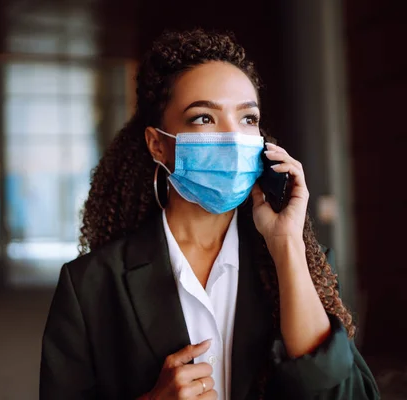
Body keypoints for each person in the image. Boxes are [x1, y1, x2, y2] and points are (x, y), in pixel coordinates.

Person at [40, 29, 380, 400]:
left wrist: (287, 246)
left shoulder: (299, 265)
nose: (233, 137)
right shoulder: (90, 284)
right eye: (204, 118)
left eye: (248, 119)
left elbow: (346, 395)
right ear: (158, 145)